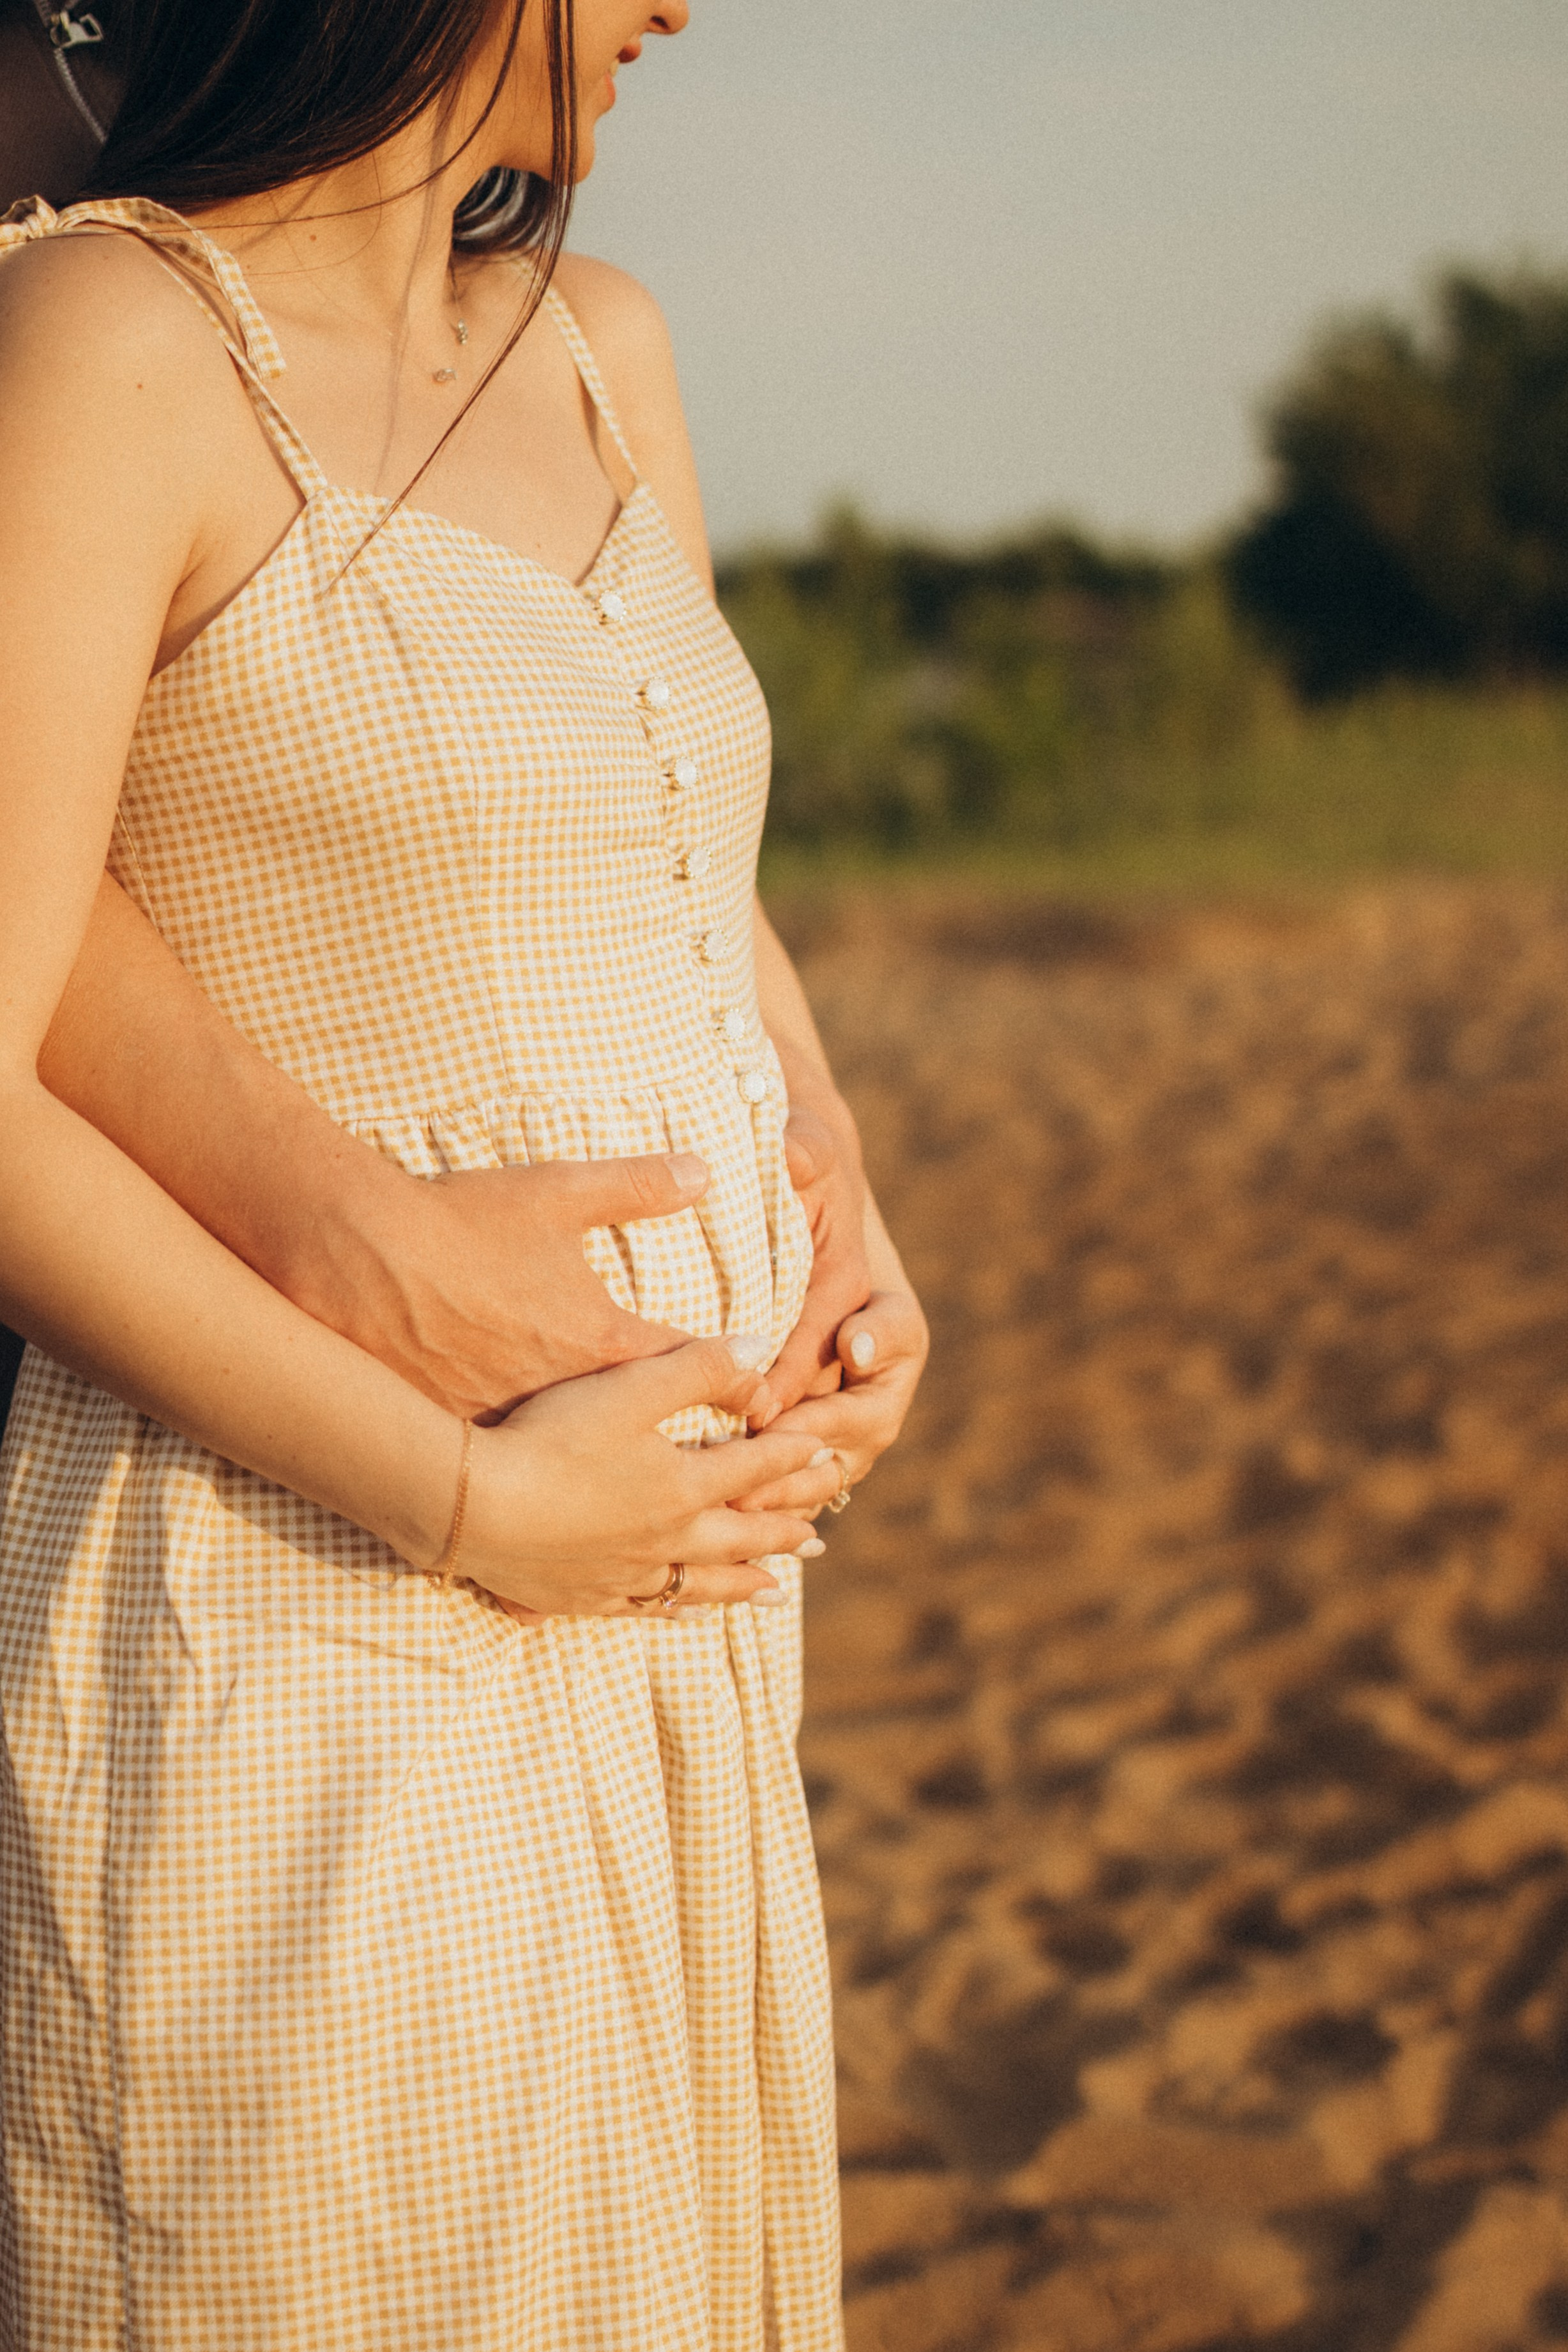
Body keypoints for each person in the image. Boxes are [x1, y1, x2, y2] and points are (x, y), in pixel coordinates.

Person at [0, 0, 928, 2340]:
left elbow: (679, 860)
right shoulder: (110, 334)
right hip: (305, 1582)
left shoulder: (604, 342)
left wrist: (831, 1178)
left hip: (671, 1636)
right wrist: (460, 1498)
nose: (681, 7)